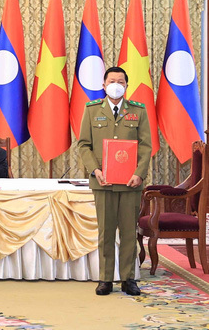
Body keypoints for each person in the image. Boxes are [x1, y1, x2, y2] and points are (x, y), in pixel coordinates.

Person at [77, 66, 151, 297]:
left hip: (131, 183)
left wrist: (139, 173)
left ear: (127, 86)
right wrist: (95, 170)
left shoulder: (138, 111)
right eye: (112, 81)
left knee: (129, 232)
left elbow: (146, 146)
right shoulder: (92, 110)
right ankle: (106, 279)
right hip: (103, 183)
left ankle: (129, 279)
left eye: (121, 82)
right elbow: (84, 145)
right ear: (104, 85)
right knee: (106, 232)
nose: (116, 85)